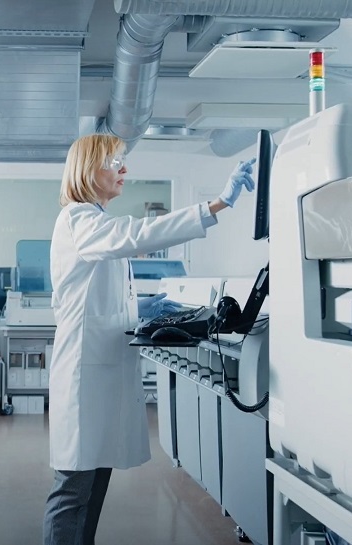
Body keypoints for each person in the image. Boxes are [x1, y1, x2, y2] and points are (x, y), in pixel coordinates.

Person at [42, 133, 255, 545]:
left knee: (91, 483)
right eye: (114, 162)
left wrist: (142, 308)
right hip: (83, 376)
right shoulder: (79, 219)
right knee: (73, 489)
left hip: (97, 372)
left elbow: (97, 299)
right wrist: (218, 205)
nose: (124, 169)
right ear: (89, 170)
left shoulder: (93, 223)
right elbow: (138, 234)